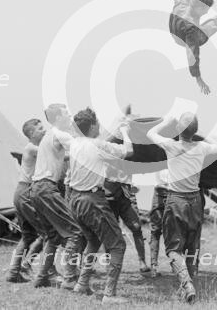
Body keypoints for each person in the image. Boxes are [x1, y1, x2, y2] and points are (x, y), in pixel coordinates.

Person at [147, 113, 217, 303]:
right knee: (192, 246)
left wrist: (166, 122)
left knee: (173, 248)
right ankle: (189, 287)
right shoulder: (202, 147)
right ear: (195, 131)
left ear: (177, 131)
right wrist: (202, 134)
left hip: (176, 200)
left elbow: (150, 133)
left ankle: (186, 284)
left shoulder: (171, 146)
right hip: (196, 201)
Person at [62, 107, 134, 305]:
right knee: (118, 245)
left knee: (93, 241)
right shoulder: (98, 145)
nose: (100, 126)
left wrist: (118, 121)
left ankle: (82, 283)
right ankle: (109, 295)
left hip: (74, 200)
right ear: (92, 126)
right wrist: (126, 131)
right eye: (98, 123)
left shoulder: (75, 143)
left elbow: (102, 138)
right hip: (92, 200)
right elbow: (129, 151)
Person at [29, 104, 83, 290]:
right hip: (47, 188)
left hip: (36, 189)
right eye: (67, 113)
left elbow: (63, 156)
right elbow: (83, 148)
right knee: (75, 232)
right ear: (58, 117)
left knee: (52, 237)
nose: (70, 115)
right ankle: (69, 278)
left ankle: (42, 277)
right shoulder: (61, 133)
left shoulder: (49, 136)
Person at [6, 118, 47, 283]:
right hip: (27, 192)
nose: (44, 130)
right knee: (47, 233)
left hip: (21, 192)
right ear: (31, 133)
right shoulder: (32, 148)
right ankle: (27, 263)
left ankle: (13, 272)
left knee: (28, 236)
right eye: (40, 128)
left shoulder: (32, 148)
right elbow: (54, 155)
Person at [104, 168, 150, 274]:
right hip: (109, 200)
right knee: (110, 233)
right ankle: (109, 263)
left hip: (124, 200)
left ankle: (142, 261)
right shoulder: (105, 157)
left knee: (136, 227)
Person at [149, 168, 170, 278]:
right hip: (159, 193)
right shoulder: (157, 155)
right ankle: (154, 266)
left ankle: (177, 265)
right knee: (155, 232)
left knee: (174, 232)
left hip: (173, 194)